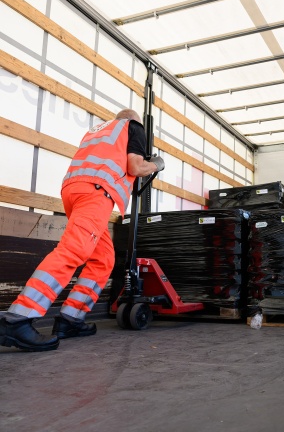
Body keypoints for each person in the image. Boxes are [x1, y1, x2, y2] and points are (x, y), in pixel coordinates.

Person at [0, 109, 164, 352]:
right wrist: (157, 164)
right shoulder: (133, 128)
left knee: (103, 259)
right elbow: (136, 167)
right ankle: (19, 318)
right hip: (96, 193)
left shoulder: (97, 132)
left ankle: (71, 319)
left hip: (74, 191)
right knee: (73, 250)